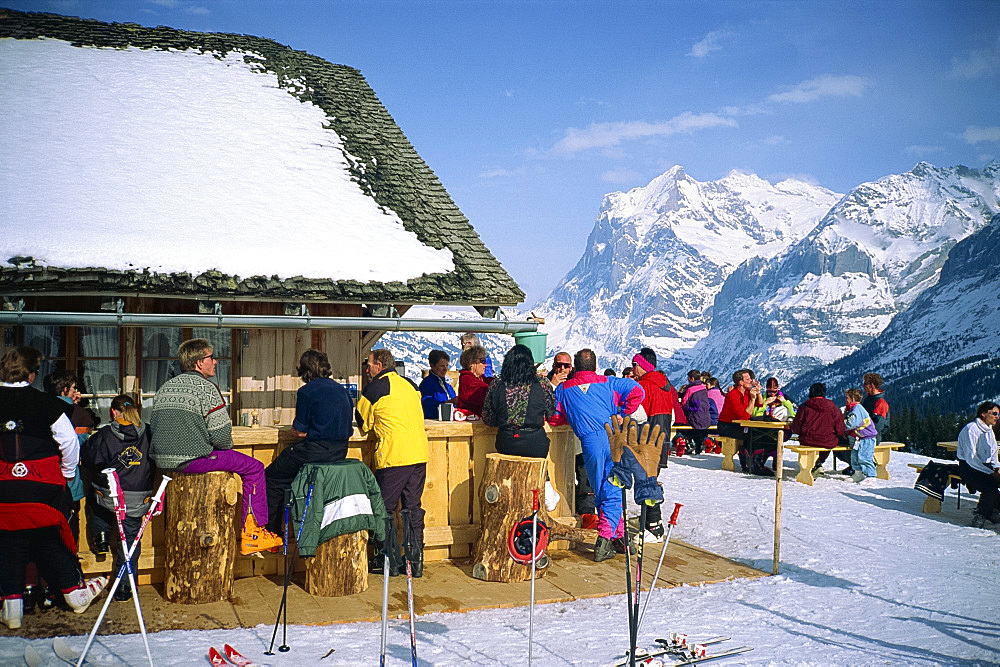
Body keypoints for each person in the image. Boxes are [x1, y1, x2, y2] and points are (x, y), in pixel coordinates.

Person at [1, 346, 108, 630]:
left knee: (9, 545)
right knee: (51, 541)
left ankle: (11, 609)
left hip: (2, 487)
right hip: (42, 486)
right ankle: (76, 594)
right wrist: (67, 471)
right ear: (32, 374)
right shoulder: (48, 404)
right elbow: (69, 443)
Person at [150, 338, 281, 555]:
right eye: (212, 357)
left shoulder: (166, 387)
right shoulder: (207, 388)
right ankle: (253, 532)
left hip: (162, 461)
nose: (216, 362)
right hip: (192, 460)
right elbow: (222, 438)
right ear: (200, 363)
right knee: (255, 467)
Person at [550, 349, 644, 561]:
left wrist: (573, 416)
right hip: (612, 437)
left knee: (602, 490)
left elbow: (556, 418)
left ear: (574, 367)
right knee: (611, 488)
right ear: (594, 365)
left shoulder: (563, 390)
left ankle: (619, 537)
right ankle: (604, 538)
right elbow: (638, 391)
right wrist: (622, 414)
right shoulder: (609, 382)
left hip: (589, 444)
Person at [356, 348, 429, 577]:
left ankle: (388, 561)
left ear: (379, 365)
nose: (366, 369)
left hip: (394, 455)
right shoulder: (410, 384)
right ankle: (415, 561)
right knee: (412, 507)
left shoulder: (375, 388)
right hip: (419, 453)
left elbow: (362, 422)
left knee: (384, 509)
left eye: (368, 364)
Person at [264, 349, 353, 534]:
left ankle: (272, 531)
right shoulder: (342, 391)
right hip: (340, 451)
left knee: (272, 477)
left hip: (314, 451)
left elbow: (299, 431)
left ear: (304, 370)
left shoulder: (306, 392)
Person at [81, 394, 153, 602]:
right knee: (129, 544)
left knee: (94, 498)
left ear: (113, 411)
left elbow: (90, 459)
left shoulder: (105, 434)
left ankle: (101, 535)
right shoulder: (148, 432)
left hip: (110, 497)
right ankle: (124, 589)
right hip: (138, 498)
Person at [482, 344, 560, 511]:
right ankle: (544, 491)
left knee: (508, 480)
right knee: (538, 470)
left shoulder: (497, 384)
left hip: (506, 441)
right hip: (535, 442)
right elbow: (551, 412)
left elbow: (488, 419)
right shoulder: (542, 383)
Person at [43, 370, 98, 546]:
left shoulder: (40, 408)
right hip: (69, 481)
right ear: (65, 389)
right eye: (74, 387)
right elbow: (81, 444)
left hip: (43, 480)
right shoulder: (79, 415)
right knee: (69, 533)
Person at [956, 401, 1000, 528]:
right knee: (990, 488)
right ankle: (981, 515)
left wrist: (996, 467)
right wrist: (991, 473)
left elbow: (993, 453)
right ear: (983, 414)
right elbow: (971, 459)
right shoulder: (971, 429)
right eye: (994, 413)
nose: (997, 417)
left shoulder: (989, 430)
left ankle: (993, 510)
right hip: (969, 468)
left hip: (983, 467)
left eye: (999, 414)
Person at [790, 383, 846, 477]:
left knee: (809, 444)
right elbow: (840, 429)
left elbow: (796, 428)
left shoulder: (804, 407)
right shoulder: (833, 408)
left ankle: (814, 465)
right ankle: (818, 462)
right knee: (828, 443)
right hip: (827, 441)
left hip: (808, 440)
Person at [842, 372, 892, 476]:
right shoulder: (868, 399)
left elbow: (878, 425)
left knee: (841, 442)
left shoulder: (880, 402)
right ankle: (857, 468)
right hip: (861, 434)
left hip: (870, 436)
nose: (863, 386)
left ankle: (864, 469)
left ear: (871, 385)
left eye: (865, 384)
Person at [717, 369, 765, 473]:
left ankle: (752, 461)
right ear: (741, 382)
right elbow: (743, 416)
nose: (751, 381)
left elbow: (761, 404)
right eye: (748, 379)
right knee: (751, 434)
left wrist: (758, 392)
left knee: (758, 433)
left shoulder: (747, 392)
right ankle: (748, 462)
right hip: (727, 426)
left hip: (739, 425)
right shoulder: (732, 395)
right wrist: (752, 400)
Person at [844, 388, 877, 483]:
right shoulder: (854, 409)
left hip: (867, 438)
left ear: (853, 398)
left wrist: (842, 425)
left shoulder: (857, 409)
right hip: (859, 438)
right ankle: (858, 474)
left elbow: (852, 423)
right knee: (855, 456)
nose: (846, 400)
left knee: (865, 457)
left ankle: (871, 476)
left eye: (847, 398)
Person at [680, 369, 715, 455]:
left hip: (694, 417)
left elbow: (684, 404)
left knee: (685, 429)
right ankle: (705, 441)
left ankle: (688, 444)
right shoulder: (704, 388)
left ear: (692, 379)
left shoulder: (690, 389)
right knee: (701, 432)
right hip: (706, 417)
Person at [456, 344, 493, 418]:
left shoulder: (482, 379)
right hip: (472, 424)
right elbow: (485, 392)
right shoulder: (467, 380)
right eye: (482, 361)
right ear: (472, 363)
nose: (485, 365)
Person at [418, 349, 457, 420]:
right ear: (432, 366)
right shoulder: (427, 385)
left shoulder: (447, 385)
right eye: (442, 366)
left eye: (446, 365)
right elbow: (427, 408)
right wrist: (449, 403)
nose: (445, 369)